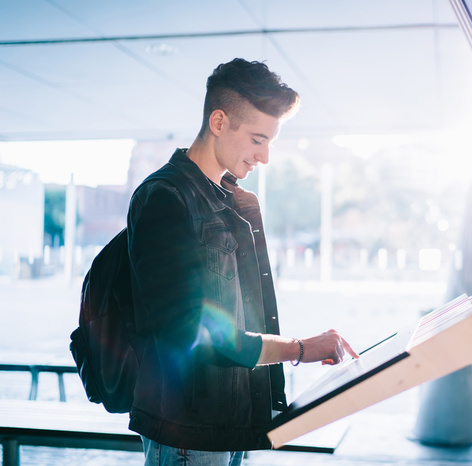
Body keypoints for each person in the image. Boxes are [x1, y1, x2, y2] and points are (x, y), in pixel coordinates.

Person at [126, 58, 359, 466]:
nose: (265, 156)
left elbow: (245, 315)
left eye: (270, 142)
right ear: (219, 122)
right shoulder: (164, 199)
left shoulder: (239, 203)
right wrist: (300, 349)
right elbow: (192, 333)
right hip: (187, 430)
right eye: (257, 139)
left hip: (233, 422)